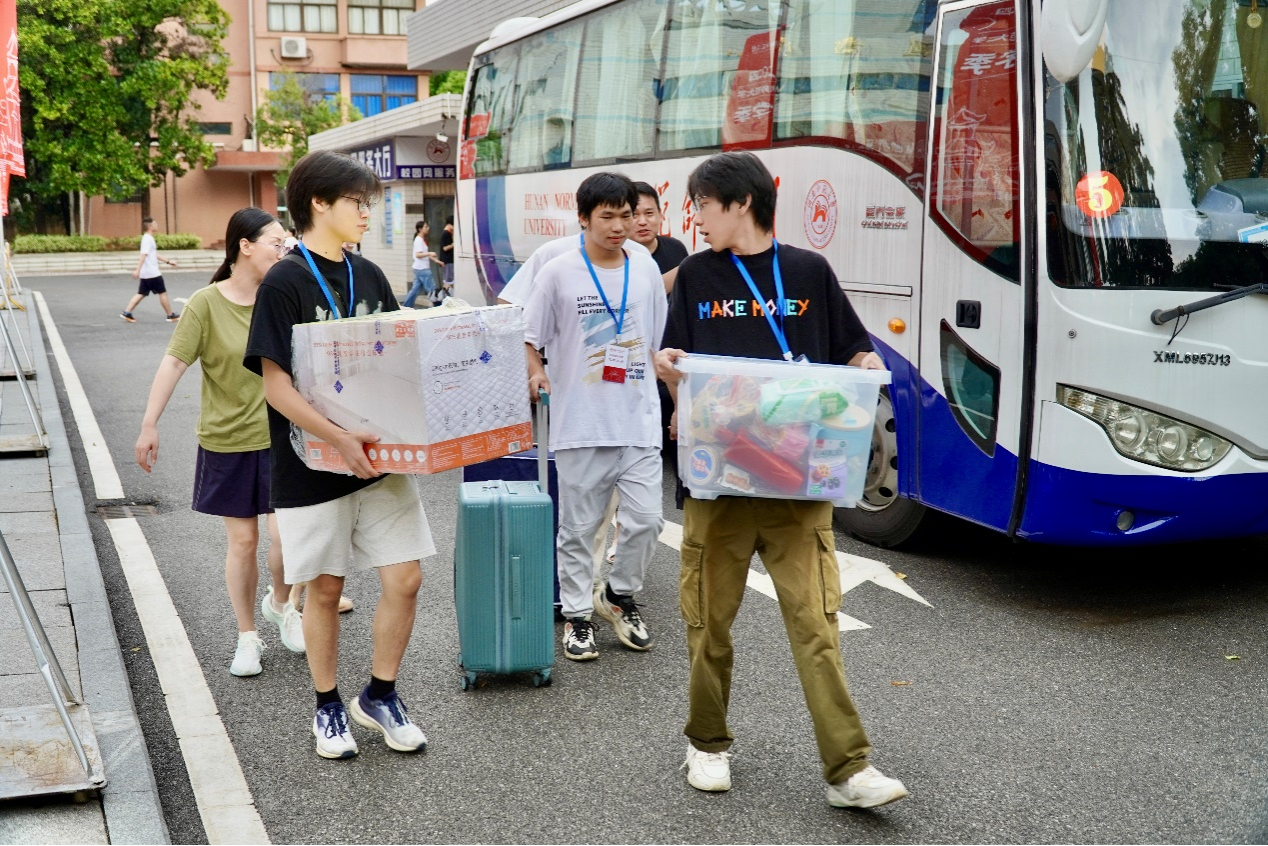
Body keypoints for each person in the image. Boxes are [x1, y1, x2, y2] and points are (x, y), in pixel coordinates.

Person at [654, 152, 907, 808]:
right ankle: (707, 743)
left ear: (741, 203)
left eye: (702, 204)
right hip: (719, 485)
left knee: (816, 624)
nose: (695, 217)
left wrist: (864, 363)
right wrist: (669, 371)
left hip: (798, 487)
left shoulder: (808, 272)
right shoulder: (696, 277)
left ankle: (848, 769)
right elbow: (678, 362)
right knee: (708, 624)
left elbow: (852, 347)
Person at [245, 150, 436, 760]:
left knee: (405, 578)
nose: (366, 213)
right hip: (311, 462)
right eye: (358, 202)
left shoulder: (369, 274)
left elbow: (395, 360)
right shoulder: (284, 281)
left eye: (368, 203)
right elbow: (276, 386)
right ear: (319, 203)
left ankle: (380, 694)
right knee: (324, 590)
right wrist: (336, 436)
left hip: (378, 458)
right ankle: (327, 706)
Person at [134, 208, 304, 677]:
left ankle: (283, 603)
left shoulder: (282, 297)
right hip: (228, 439)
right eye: (275, 242)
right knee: (244, 541)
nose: (283, 250)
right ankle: (247, 635)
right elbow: (174, 363)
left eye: (286, 243)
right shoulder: (205, 304)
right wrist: (149, 424)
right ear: (244, 246)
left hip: (283, 438)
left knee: (288, 537)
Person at [523, 172, 667, 662]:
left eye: (626, 215)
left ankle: (620, 595)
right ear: (583, 218)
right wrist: (537, 371)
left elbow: (654, 339)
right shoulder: (558, 272)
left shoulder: (644, 265)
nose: (619, 226)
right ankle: (578, 616)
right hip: (580, 422)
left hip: (638, 419)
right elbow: (528, 336)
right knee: (579, 529)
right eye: (607, 217)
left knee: (647, 520)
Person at [121, 217, 181, 323]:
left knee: (141, 293)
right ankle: (170, 315)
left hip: (147, 273)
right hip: (152, 273)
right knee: (162, 293)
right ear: (150, 226)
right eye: (155, 224)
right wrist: (137, 270)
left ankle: (127, 312)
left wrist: (168, 261)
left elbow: (154, 254)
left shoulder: (148, 238)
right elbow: (143, 255)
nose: (157, 225)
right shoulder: (147, 239)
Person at [630, 181, 689, 279]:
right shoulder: (616, 256)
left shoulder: (676, 248)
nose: (642, 222)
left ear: (660, 215)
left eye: (649, 213)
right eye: (634, 215)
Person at [402, 220, 438, 308]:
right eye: (425, 227)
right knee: (431, 289)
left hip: (419, 268)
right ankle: (437, 307)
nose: (428, 228)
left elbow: (423, 254)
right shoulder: (419, 240)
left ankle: (406, 306)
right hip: (422, 268)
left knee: (415, 290)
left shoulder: (421, 239)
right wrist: (430, 253)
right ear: (420, 229)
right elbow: (418, 255)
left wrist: (437, 261)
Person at [438, 215, 456, 297]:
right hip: (448, 260)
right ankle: (446, 297)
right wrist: (453, 244)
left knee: (447, 280)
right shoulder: (446, 233)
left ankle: (445, 297)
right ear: (449, 224)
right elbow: (445, 248)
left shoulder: (447, 233)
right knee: (448, 281)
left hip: (446, 260)